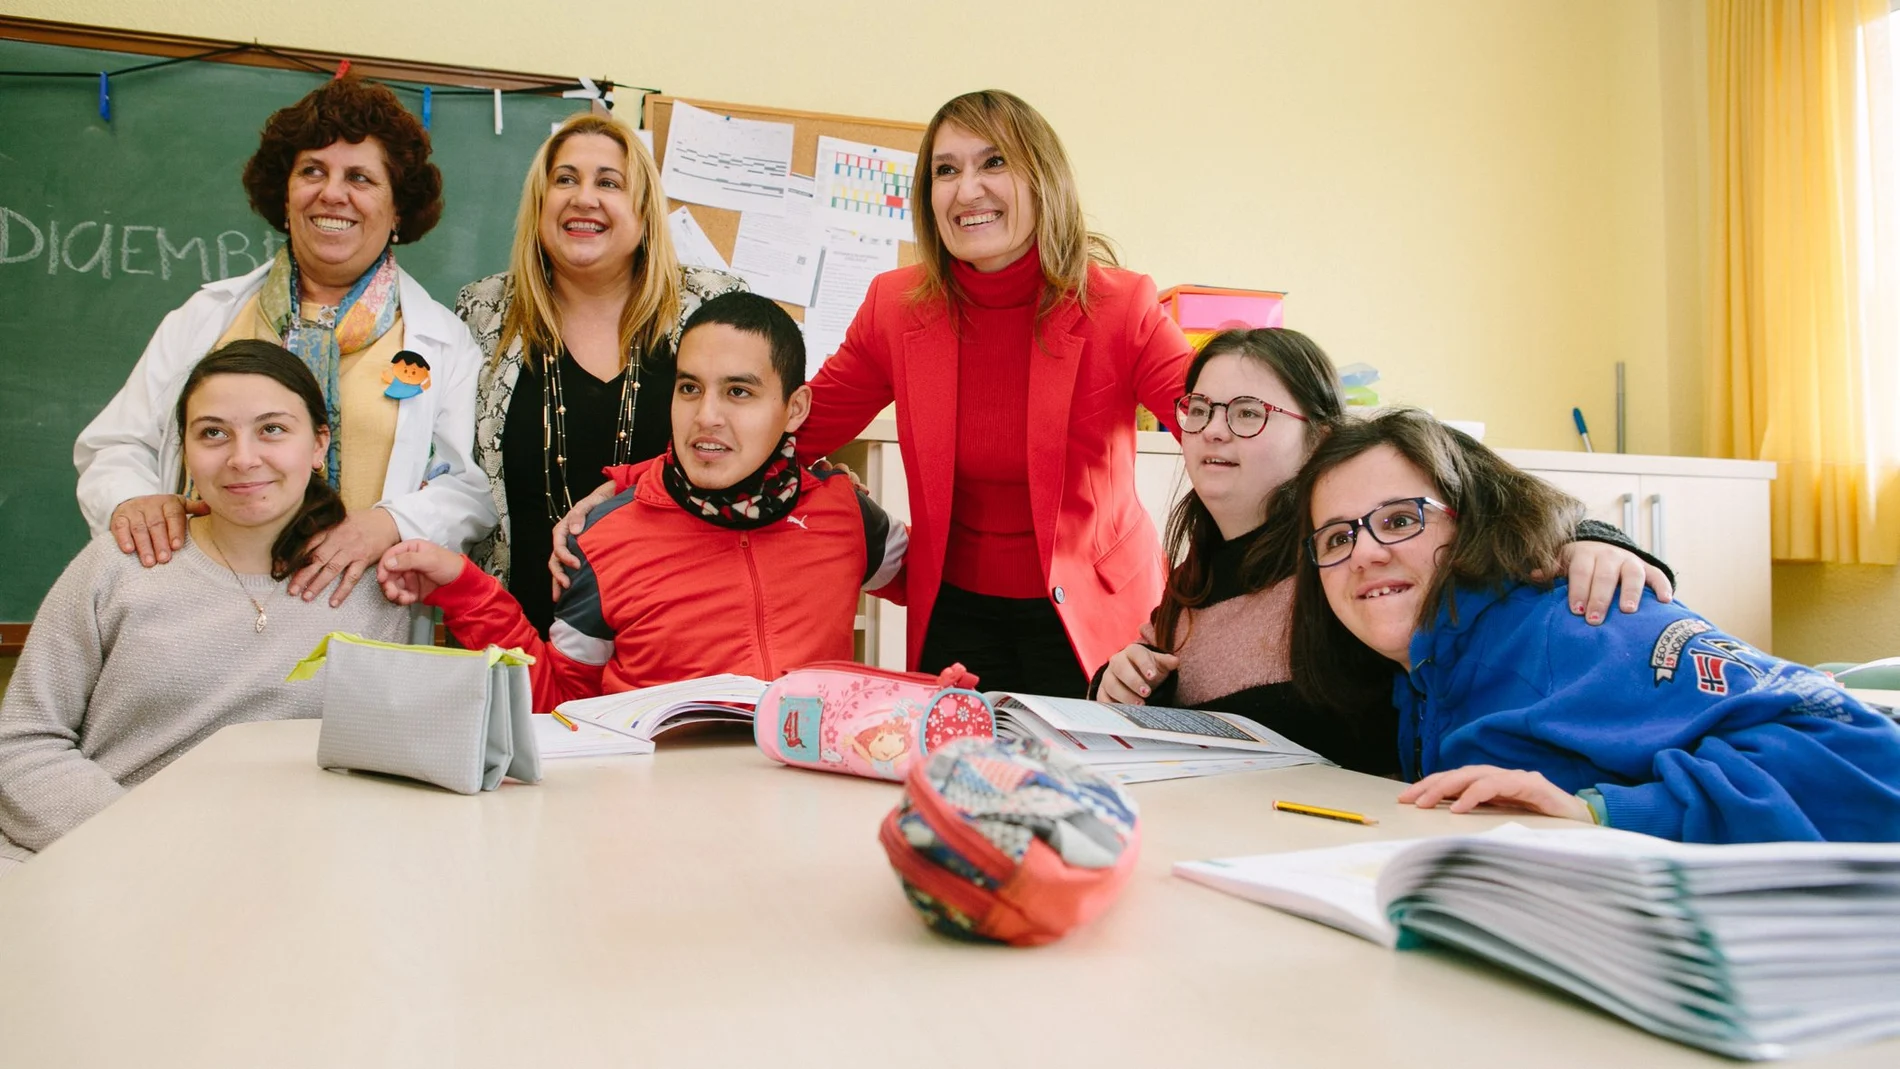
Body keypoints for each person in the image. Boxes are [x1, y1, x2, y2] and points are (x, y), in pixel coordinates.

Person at [1289, 407, 1900, 843]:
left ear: (1473, 522)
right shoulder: (1422, 674)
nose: (1364, 553)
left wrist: (1601, 814)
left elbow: (1868, 759)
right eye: (1338, 537)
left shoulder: (1577, 626)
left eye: (1400, 521)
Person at [1091, 329, 1674, 773]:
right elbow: (1177, 685)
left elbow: (1513, 507)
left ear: (1320, 437)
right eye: (1199, 409)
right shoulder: (1197, 567)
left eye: (1248, 414)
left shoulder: (1354, 546)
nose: (1214, 431)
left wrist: (1596, 541)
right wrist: (1117, 684)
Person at [781, 89, 1195, 697]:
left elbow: (1217, 433)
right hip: (956, 616)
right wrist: (638, 487)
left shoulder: (1120, 305)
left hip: (1095, 621)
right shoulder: (894, 308)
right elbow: (792, 432)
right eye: (946, 170)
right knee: (956, 786)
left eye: (994, 162)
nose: (966, 189)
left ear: (1043, 178)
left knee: (1085, 789)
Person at [74, 76, 492, 610]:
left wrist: (390, 523)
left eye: (360, 177)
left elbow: (470, 488)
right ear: (285, 193)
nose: (332, 193)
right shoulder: (208, 317)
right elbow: (115, 445)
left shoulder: (441, 342)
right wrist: (133, 501)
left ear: (399, 211)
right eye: (312, 171)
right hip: (197, 602)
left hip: (356, 611)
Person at [378, 293, 906, 709]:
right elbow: (558, 705)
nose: (707, 417)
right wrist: (468, 592)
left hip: (800, 819)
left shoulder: (846, 514)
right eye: (689, 388)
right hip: (650, 825)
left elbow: (941, 588)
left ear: (794, 410)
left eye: (738, 392)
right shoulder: (602, 538)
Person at [1, 341, 412, 870]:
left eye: (272, 429)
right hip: (97, 860)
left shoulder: (372, 587)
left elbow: (382, 772)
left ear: (318, 445)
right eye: (213, 433)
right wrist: (152, 850)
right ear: (186, 453)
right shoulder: (118, 566)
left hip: (290, 872)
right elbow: (24, 745)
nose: (243, 458)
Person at [455, 112, 745, 636]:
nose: (583, 197)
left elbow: (759, 436)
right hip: (520, 640)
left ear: (643, 210)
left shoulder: (710, 303)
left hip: (678, 635)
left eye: (608, 182)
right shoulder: (485, 311)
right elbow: (454, 472)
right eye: (564, 179)